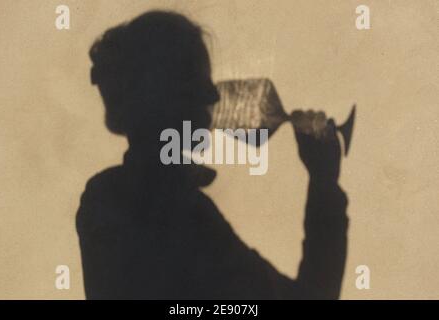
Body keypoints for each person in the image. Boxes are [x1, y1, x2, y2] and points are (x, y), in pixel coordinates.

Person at [76, 10, 349, 300]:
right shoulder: (183, 213)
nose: (214, 96)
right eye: (197, 82)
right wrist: (323, 182)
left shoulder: (106, 197)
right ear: (161, 96)